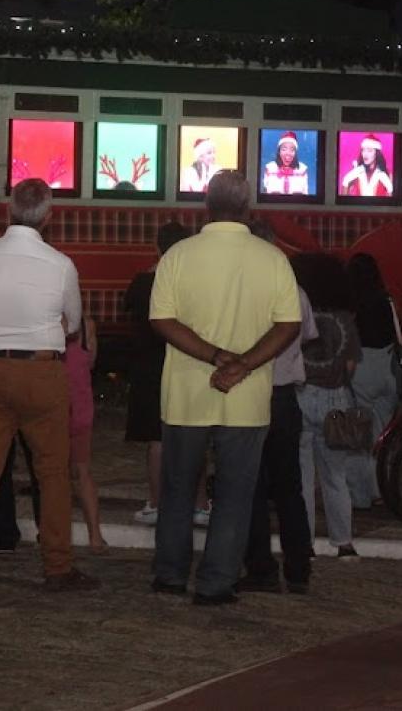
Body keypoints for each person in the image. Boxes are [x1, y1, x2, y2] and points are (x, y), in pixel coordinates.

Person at [149, 170, 301, 605]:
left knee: (178, 488)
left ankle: (170, 575)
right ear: (248, 208)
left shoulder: (179, 255)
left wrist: (216, 357)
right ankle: (216, 582)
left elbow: (162, 319)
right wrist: (244, 364)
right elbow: (288, 324)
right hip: (247, 397)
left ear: (206, 205)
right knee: (236, 494)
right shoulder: (272, 259)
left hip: (185, 395)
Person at [0, 179, 98, 592]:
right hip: (41, 373)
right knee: (52, 472)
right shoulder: (60, 265)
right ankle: (57, 566)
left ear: (8, 210)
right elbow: (72, 323)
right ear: (49, 216)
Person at [241, 219, 317, 595]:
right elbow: (307, 336)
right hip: (285, 395)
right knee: (290, 487)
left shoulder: (242, 289)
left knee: (252, 487)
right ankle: (299, 568)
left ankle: (260, 569)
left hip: (250, 393)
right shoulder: (294, 288)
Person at [123, 222, 210, 526]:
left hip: (148, 369)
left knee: (155, 439)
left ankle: (158, 504)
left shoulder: (143, 282)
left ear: (157, 247)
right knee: (197, 436)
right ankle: (199, 505)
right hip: (188, 365)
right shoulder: (193, 282)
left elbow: (130, 314)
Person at [292, 252, 363, 561]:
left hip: (301, 394)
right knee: (336, 476)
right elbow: (350, 367)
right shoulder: (345, 319)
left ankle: (304, 543)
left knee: (303, 477)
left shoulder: (298, 311)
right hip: (336, 399)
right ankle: (344, 543)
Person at [345, 253, 401, 510]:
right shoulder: (385, 299)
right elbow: (397, 336)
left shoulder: (352, 303)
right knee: (381, 434)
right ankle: (382, 488)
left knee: (360, 437)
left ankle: (362, 495)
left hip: (362, 370)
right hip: (388, 369)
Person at [65, 315, 108, 553]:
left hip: (51, 404)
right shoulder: (86, 324)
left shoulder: (42, 321)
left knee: (54, 475)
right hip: (80, 404)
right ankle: (95, 536)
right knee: (82, 471)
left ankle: (57, 536)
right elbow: (91, 361)